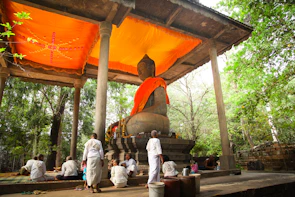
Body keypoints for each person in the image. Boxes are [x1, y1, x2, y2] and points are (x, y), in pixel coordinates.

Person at [107, 54, 170, 139]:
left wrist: (133, 116)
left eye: (141, 69)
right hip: (139, 118)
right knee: (119, 125)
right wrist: (121, 121)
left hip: (153, 120)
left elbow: (161, 108)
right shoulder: (142, 88)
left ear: (151, 68)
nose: (139, 73)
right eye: (138, 70)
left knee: (140, 119)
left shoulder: (157, 82)